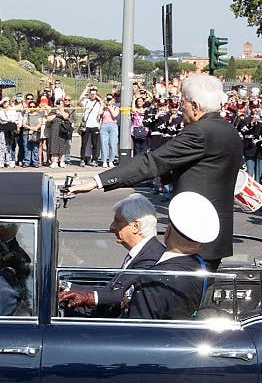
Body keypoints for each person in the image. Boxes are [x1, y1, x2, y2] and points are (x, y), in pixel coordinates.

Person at [68, 74, 242, 269]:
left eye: (182, 102)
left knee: (176, 296)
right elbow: (207, 171)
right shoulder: (227, 130)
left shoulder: (199, 132)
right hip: (213, 235)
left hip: (193, 237)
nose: (180, 108)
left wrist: (97, 181)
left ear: (195, 106)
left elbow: (151, 162)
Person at [57, 193, 165, 316]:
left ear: (136, 226)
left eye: (118, 221)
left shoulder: (151, 257)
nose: (111, 227)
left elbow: (119, 293)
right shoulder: (143, 251)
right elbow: (111, 289)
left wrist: (87, 297)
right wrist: (66, 286)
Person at [122, 190, 219, 321]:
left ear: (168, 232)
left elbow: (139, 329)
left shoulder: (153, 280)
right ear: (199, 244)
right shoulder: (199, 266)